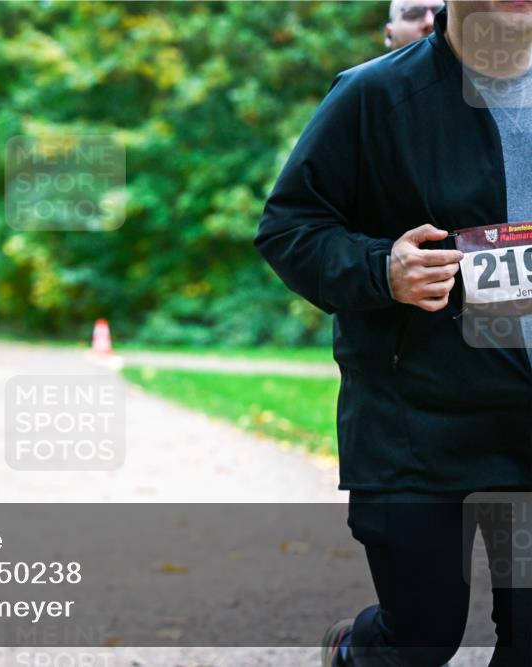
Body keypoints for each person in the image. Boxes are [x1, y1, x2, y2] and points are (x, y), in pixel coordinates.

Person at [255, 3, 531, 666]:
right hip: (418, 422)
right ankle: (353, 650)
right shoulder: (373, 96)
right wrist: (382, 269)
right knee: (421, 636)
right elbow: (289, 229)